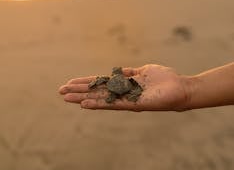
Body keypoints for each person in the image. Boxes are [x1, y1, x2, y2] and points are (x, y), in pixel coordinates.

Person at [59, 63, 234, 111]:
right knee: (126, 91)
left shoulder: (109, 80)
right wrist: (187, 87)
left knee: (109, 90)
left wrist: (187, 88)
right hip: (125, 87)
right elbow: (134, 83)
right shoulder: (125, 80)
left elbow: (103, 81)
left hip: (118, 88)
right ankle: (128, 95)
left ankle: (123, 96)